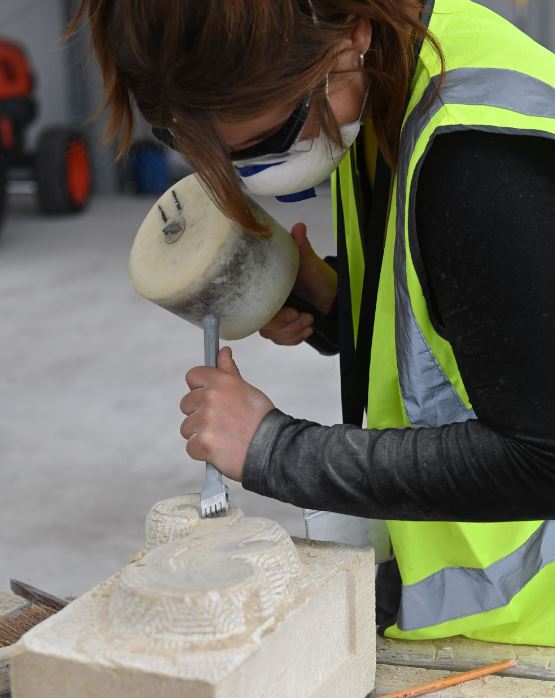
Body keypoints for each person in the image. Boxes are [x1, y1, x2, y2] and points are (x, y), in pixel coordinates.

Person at [70, 0, 555, 645]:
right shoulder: (380, 78)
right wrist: (333, 304)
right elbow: (474, 310)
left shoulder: (477, 161)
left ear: (349, 36)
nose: (241, 172)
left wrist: (273, 447)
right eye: (191, 141)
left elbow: (541, 457)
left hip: (535, 627)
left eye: (264, 143)